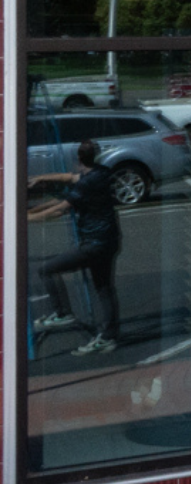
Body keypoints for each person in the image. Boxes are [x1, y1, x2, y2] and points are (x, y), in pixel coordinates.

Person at [28, 139, 122, 355]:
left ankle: (62, 313)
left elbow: (59, 210)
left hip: (94, 245)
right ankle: (109, 337)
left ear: (78, 159)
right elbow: (68, 179)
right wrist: (40, 178)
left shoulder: (86, 184)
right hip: (109, 241)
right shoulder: (101, 173)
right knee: (104, 288)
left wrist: (22, 220)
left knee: (46, 269)